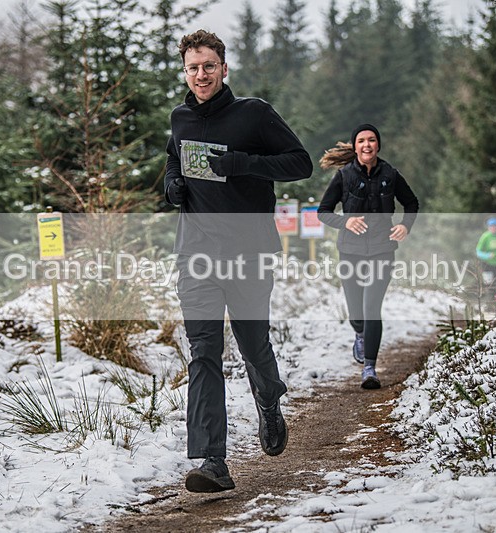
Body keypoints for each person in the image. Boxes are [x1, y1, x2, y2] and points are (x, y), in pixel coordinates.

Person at [164, 30, 312, 493]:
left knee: (253, 344)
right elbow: (173, 163)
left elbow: (300, 163)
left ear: (224, 68)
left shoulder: (255, 114)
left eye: (209, 66)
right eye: (193, 67)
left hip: (249, 252)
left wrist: (243, 164)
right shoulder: (180, 118)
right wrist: (172, 186)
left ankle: (269, 399)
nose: (201, 75)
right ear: (185, 72)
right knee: (203, 352)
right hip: (197, 254)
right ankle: (213, 461)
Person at [317, 124, 419, 389]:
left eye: (371, 140)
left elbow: (412, 203)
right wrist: (345, 223)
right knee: (357, 313)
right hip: (350, 251)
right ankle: (360, 333)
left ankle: (370, 369)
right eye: (361, 140)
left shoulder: (390, 174)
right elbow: (323, 211)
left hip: (382, 251)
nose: (367, 145)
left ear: (378, 145)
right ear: (355, 146)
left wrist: (405, 225)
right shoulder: (344, 176)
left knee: (372, 308)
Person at [476, 217, 496, 298]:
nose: (493, 228)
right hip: (487, 264)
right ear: (488, 227)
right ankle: (490, 301)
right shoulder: (485, 237)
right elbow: (478, 252)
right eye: (491, 226)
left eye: (495, 226)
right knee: (488, 284)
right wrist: (487, 256)